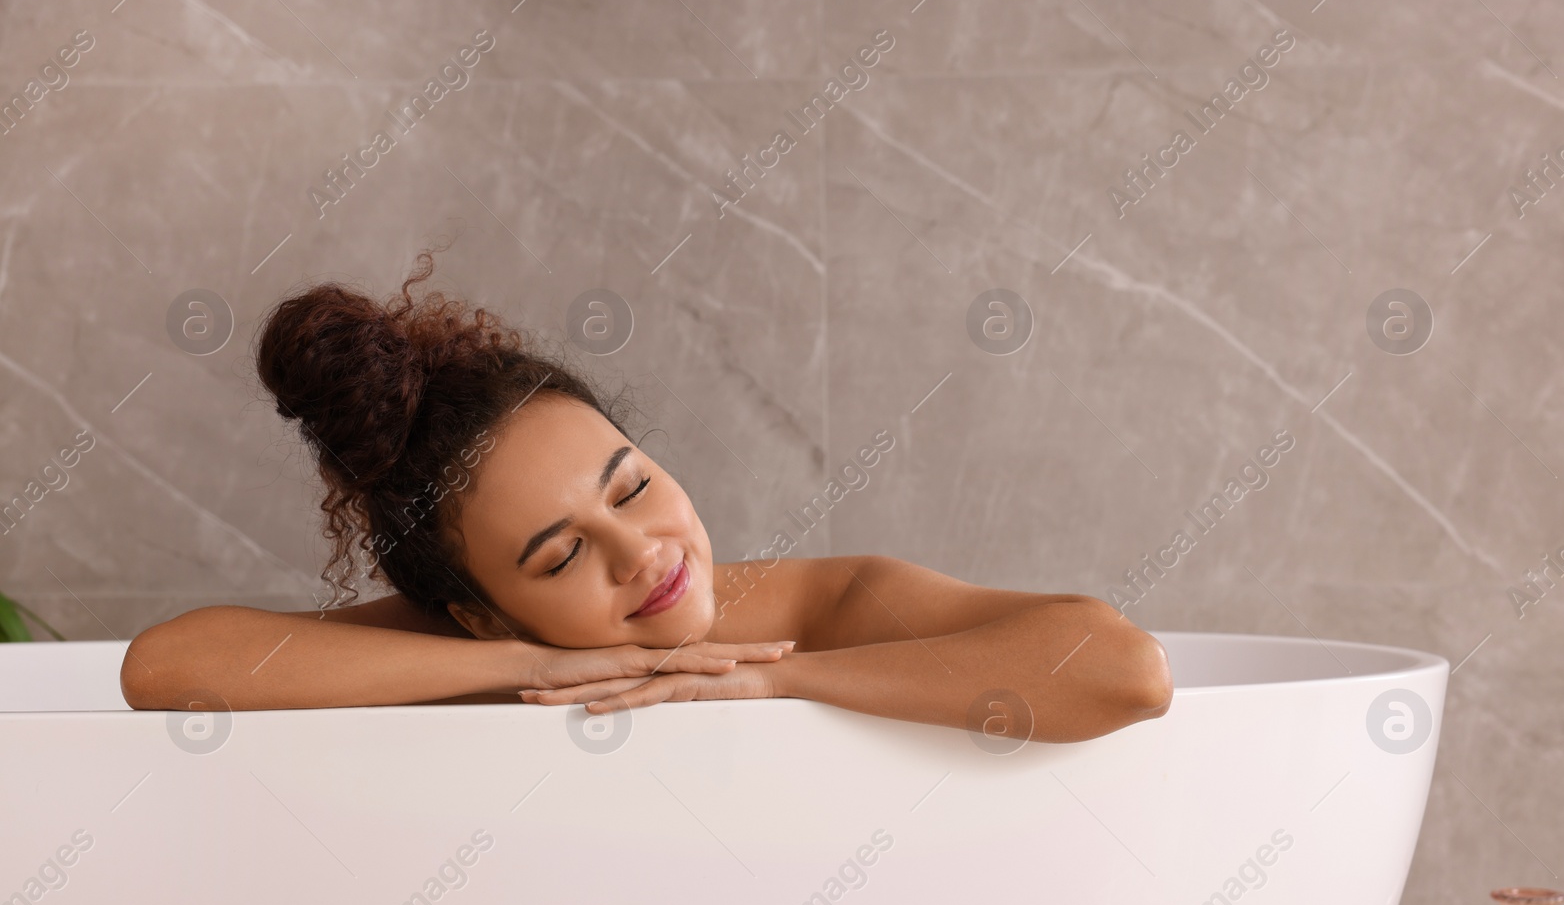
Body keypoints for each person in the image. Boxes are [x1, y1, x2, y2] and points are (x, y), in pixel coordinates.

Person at [121, 249, 1173, 743]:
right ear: (481, 610)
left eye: (630, 486)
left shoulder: (828, 606)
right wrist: (532, 662)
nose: (640, 551)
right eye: (558, 556)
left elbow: (1125, 672)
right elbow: (165, 666)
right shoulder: (480, 644)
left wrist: (780, 687)